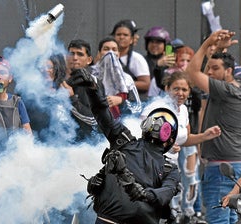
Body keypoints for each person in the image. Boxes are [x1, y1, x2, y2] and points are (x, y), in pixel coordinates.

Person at [72, 67, 181, 223]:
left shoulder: (123, 140)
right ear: (170, 140)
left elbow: (102, 113)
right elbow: (165, 193)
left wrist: (94, 89)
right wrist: (94, 89)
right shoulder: (170, 168)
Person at [186, 30, 241, 224]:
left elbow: (192, 73)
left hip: (222, 167)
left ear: (228, 71)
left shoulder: (227, 89)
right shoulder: (236, 87)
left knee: (218, 220)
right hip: (235, 164)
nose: (209, 72)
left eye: (214, 68)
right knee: (231, 219)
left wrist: (207, 43)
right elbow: (204, 73)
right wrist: (220, 49)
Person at [141, 71, 219, 223]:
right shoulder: (157, 107)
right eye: (176, 88)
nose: (180, 93)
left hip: (170, 169)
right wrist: (165, 147)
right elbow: (141, 135)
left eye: (184, 90)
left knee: (169, 212)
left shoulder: (183, 110)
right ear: (167, 88)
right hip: (151, 168)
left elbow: (184, 139)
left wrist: (204, 136)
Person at [0, 55, 32, 167]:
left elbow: (28, 135)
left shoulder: (17, 102)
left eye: (3, 72)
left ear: (10, 78)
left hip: (14, 164)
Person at [93, 36, 141, 118]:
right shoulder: (91, 77)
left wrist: (121, 101)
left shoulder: (127, 79)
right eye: (106, 49)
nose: (110, 53)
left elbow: (137, 107)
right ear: (99, 53)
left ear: (118, 54)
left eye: (114, 49)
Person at [64, 39, 98, 141]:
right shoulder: (59, 81)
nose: (75, 58)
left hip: (85, 145)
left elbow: (93, 119)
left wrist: (72, 98)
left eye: (80, 54)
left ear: (89, 60)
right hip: (58, 143)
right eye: (71, 54)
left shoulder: (94, 83)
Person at [111, 20, 150, 102]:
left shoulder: (137, 59)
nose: (121, 37)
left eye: (125, 35)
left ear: (132, 39)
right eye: (118, 34)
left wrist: (122, 83)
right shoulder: (106, 57)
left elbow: (146, 84)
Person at [144, 26, 176, 91]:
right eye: (151, 42)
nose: (154, 45)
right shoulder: (141, 60)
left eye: (158, 42)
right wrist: (158, 65)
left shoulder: (172, 61)